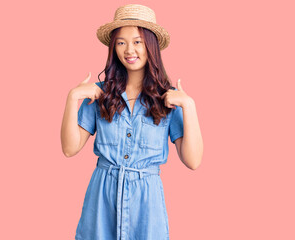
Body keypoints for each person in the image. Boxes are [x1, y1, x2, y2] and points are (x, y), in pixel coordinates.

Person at [61, 4, 203, 240]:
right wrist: (72, 97)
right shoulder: (100, 95)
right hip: (102, 199)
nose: (129, 50)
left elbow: (193, 161)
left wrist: (190, 106)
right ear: (113, 47)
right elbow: (69, 148)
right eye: (121, 42)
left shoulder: (167, 98)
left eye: (137, 41)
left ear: (151, 45)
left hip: (146, 205)